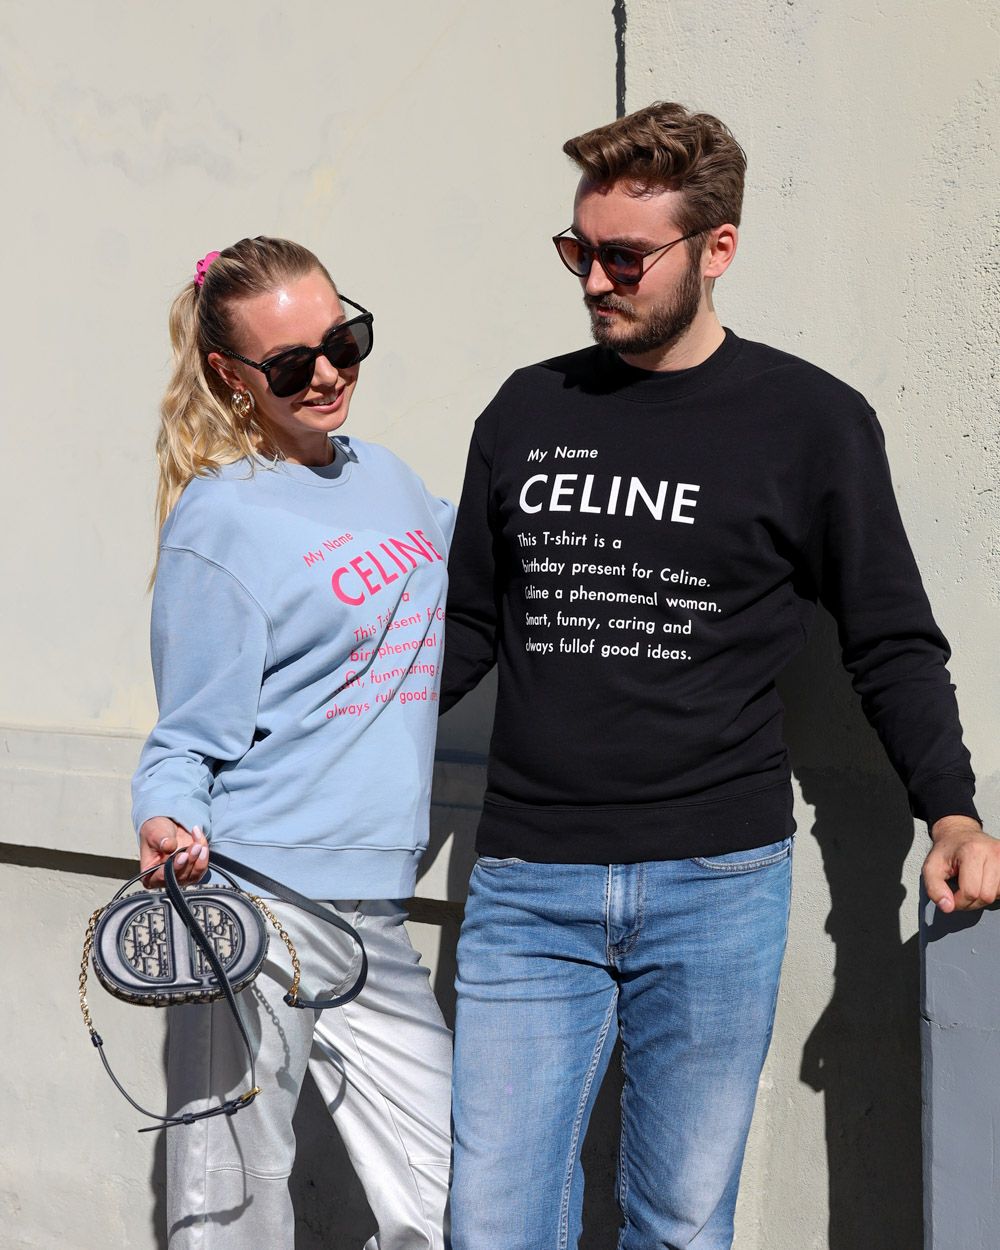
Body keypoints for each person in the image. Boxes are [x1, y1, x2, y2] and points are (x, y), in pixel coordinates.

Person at [440, 103, 1000, 1250]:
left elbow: (890, 638)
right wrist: (300, 739)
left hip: (713, 880)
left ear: (717, 247)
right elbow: (463, 626)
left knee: (680, 1225)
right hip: (529, 879)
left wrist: (949, 807)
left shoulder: (810, 421)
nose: (594, 280)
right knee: (491, 1223)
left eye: (624, 257)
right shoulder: (526, 407)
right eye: (577, 250)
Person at [132, 236, 453, 1250]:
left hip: (372, 904)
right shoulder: (220, 518)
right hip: (258, 900)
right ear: (231, 374)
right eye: (288, 364)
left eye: (342, 343)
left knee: (453, 1190)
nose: (326, 374)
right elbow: (188, 731)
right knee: (232, 1202)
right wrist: (164, 813)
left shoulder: (390, 479)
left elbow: (495, 557)